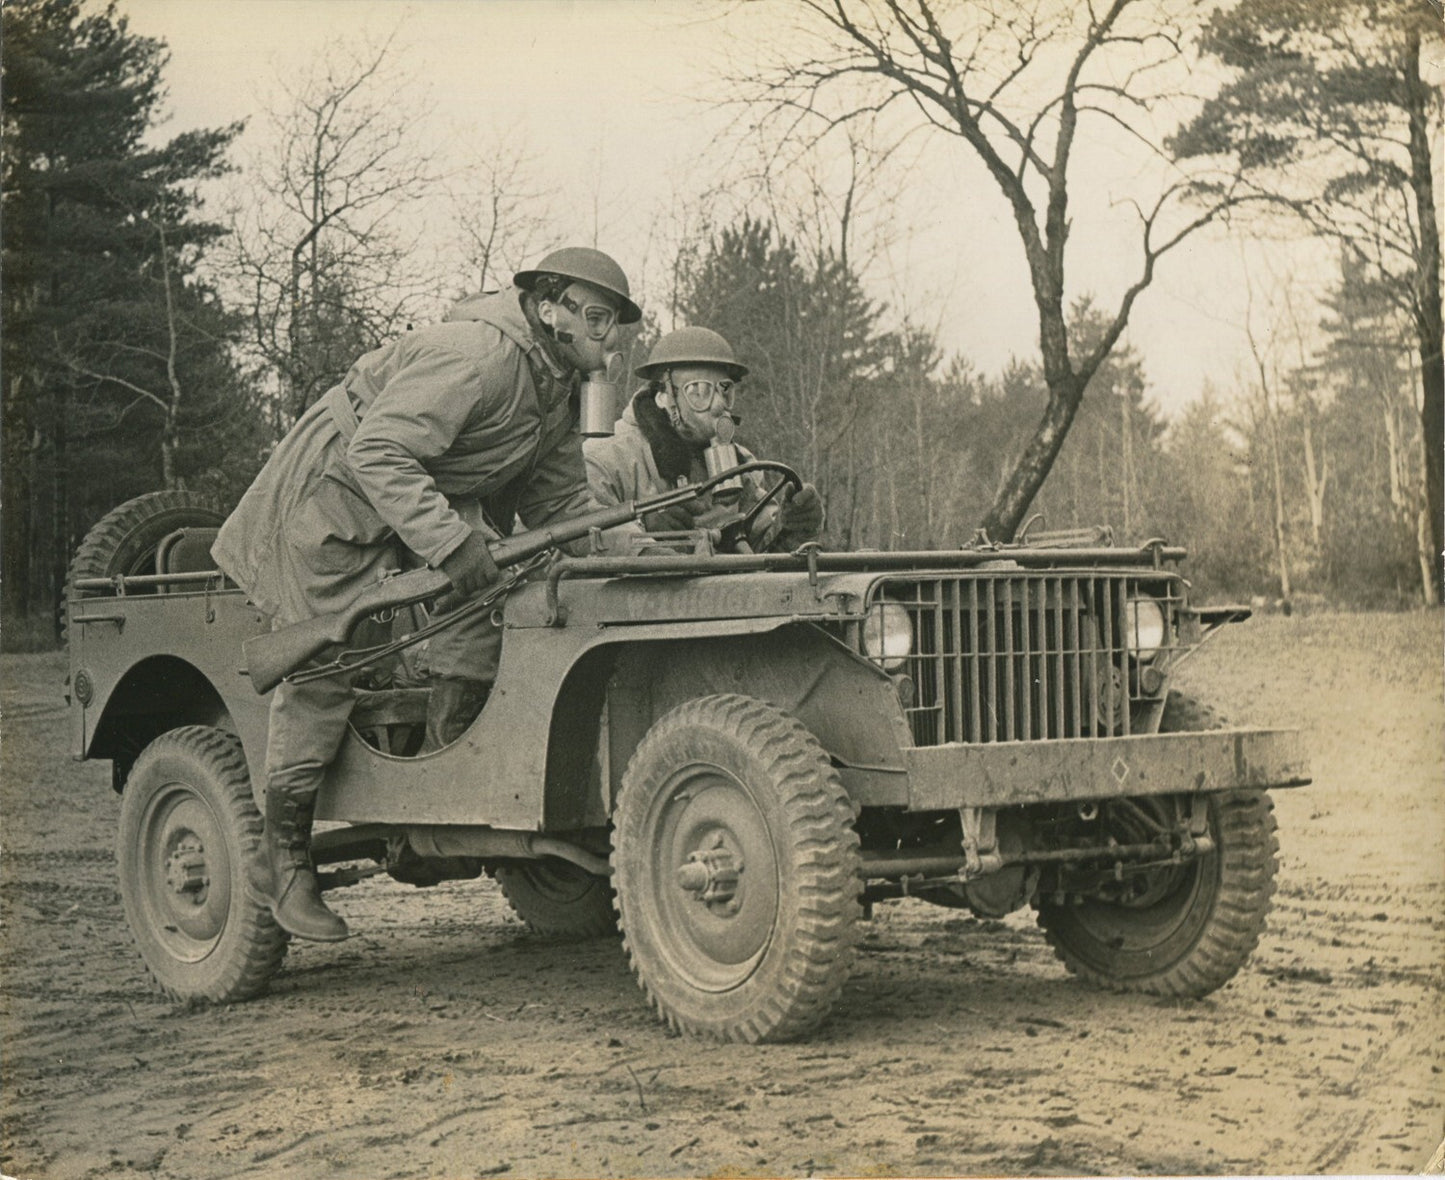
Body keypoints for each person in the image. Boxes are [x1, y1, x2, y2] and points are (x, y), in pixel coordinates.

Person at [211, 246, 641, 942]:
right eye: (595, 316)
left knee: (490, 606)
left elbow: (563, 502)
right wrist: (451, 542)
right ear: (548, 307)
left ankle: (440, 801)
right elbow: (376, 452)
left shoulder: (554, 385)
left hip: (429, 495)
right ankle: (282, 856)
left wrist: (630, 554)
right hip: (337, 495)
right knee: (330, 662)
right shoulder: (479, 356)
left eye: (614, 322)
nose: (607, 335)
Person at [584, 326, 823, 550]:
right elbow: (586, 543)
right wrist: (646, 535)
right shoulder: (607, 459)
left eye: (725, 390)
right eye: (700, 391)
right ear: (664, 396)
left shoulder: (740, 464)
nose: (719, 405)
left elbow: (763, 558)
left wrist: (793, 528)